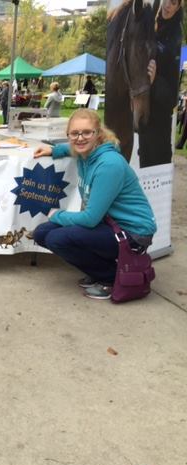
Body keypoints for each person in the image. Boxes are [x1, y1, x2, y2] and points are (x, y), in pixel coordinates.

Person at [32, 109, 156, 300]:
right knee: (42, 233)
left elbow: (90, 219)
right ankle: (102, 267)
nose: (80, 138)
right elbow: (73, 147)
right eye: (74, 133)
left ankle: (110, 277)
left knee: (58, 238)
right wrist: (54, 150)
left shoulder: (109, 165)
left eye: (87, 132)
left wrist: (56, 214)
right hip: (110, 223)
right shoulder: (86, 153)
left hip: (133, 232)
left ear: (98, 134)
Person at [139, 0, 183, 167]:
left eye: (173, 3)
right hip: (146, 111)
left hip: (160, 116)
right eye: (167, 1)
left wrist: (155, 79)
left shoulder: (176, 35)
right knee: (144, 161)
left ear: (178, 7)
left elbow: (171, 95)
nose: (168, 6)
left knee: (157, 162)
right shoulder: (153, 25)